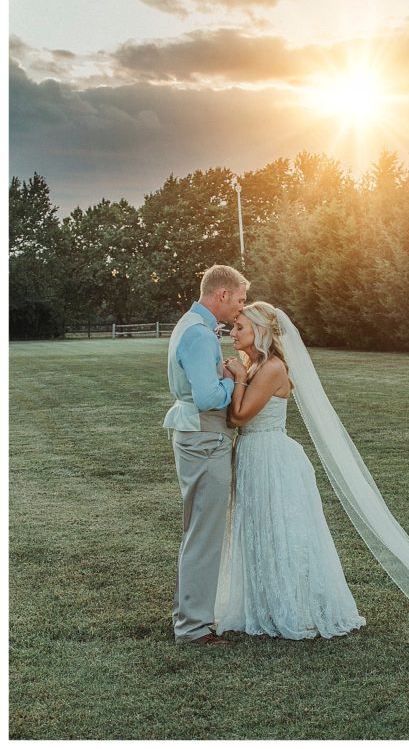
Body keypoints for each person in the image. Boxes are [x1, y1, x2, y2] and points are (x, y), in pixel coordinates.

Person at [216, 302, 365, 639]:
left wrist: (238, 378)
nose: (232, 332)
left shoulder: (272, 368)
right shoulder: (252, 365)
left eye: (240, 327)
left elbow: (239, 417)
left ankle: (294, 606)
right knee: (256, 528)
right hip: (252, 454)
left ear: (261, 331)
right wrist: (238, 374)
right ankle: (263, 602)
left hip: (270, 456)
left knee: (280, 530)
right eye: (233, 326)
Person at [163, 264, 249, 646]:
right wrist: (234, 381)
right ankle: (194, 627)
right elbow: (208, 396)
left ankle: (189, 616)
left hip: (196, 435)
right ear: (222, 295)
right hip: (204, 438)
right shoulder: (199, 335)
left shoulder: (191, 326)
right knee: (204, 533)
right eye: (240, 300)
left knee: (197, 530)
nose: (240, 310)